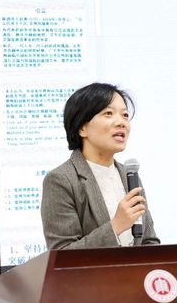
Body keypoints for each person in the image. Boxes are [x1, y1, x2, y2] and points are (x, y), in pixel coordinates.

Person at [41, 82, 160, 249]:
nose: (121, 122)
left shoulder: (129, 175)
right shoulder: (61, 179)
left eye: (125, 115)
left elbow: (149, 241)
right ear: (82, 128)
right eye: (108, 113)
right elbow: (62, 253)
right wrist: (115, 226)